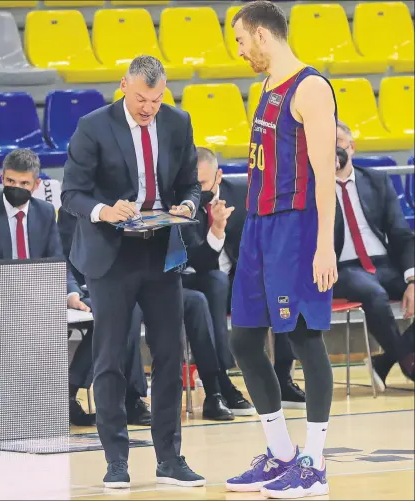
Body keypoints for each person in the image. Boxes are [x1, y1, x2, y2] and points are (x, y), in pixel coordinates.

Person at [61, 56, 204, 488]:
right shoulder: (93, 126)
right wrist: (106, 210)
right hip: (110, 253)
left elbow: (190, 184)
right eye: (141, 98)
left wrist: (188, 206)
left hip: (160, 250)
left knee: (167, 356)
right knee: (111, 360)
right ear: (123, 85)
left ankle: (169, 459)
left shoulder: (179, 122)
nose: (148, 108)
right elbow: (72, 194)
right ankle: (116, 462)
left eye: (157, 100)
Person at [226, 2, 337, 498]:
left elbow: (324, 177)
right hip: (258, 226)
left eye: (241, 41)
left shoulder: (310, 88)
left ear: (261, 35)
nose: (240, 51)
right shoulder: (265, 88)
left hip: (297, 228)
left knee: (304, 338)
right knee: (245, 340)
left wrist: (323, 246)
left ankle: (313, 463)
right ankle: (281, 454)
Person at [0, 148, 96, 426]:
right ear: (2, 178)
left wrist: (70, 293)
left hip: (39, 296)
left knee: (104, 318)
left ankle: (66, 393)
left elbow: (56, 259)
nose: (16, 188)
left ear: (36, 185)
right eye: (10, 182)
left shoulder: (46, 211)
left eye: (24, 183)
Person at [196, 147, 306, 409]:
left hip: (239, 276)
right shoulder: (183, 202)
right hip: (199, 278)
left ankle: (283, 375)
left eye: (201, 183)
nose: (196, 189)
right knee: (215, 284)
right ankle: (222, 383)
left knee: (284, 287)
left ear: (218, 176)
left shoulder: (246, 194)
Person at [334, 120, 414, 388]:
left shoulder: (376, 180)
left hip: (383, 263)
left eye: (337, 144)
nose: (332, 150)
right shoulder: (312, 189)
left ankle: (385, 361)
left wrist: (412, 279)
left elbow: (402, 234)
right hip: (342, 269)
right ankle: (408, 363)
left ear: (352, 147)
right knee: (373, 292)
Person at [58, 206, 152, 426]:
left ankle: (73, 392)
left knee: (128, 308)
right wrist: (71, 291)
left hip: (120, 283)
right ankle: (129, 398)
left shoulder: (128, 204)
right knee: (114, 312)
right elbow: (60, 256)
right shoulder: (73, 207)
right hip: (83, 288)